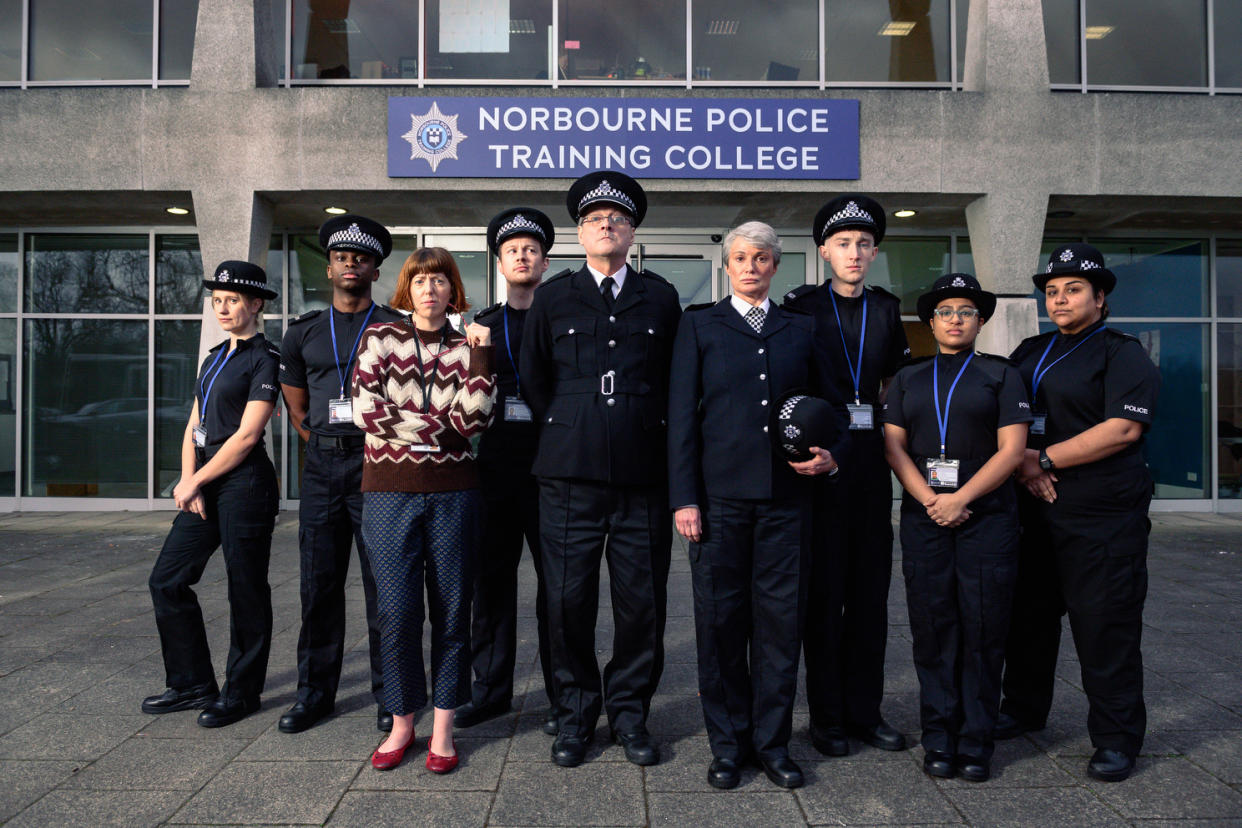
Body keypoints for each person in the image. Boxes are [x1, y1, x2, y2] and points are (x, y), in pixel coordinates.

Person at [668, 222, 848, 790]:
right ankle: (728, 745)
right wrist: (685, 499)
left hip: (787, 501)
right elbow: (681, 419)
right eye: (741, 258)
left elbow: (833, 408)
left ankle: (772, 745)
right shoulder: (700, 325)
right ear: (727, 266)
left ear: (776, 266)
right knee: (720, 625)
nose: (751, 266)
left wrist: (830, 454)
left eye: (762, 258)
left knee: (778, 626)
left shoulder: (802, 326)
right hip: (719, 503)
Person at [520, 170, 682, 768]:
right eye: (593, 219)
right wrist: (576, 423)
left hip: (643, 474)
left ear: (632, 229)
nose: (606, 226)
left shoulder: (659, 297)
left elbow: (671, 381)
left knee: (642, 603)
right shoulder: (554, 296)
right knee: (567, 601)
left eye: (616, 218)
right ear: (579, 232)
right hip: (568, 474)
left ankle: (631, 714)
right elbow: (538, 380)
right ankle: (575, 713)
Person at [998, 243, 1161, 783]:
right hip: (1033, 510)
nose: (1060, 299)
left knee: (1104, 626)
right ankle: (1023, 709)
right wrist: (1025, 466)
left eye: (1072, 290)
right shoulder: (1030, 349)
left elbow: (1123, 428)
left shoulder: (1121, 352)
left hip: (1100, 515)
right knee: (1029, 618)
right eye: (1052, 291)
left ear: (1100, 297)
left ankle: (1116, 741)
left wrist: (1038, 458)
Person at [882, 273, 1032, 782]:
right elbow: (894, 447)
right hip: (926, 520)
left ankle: (977, 741)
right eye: (945, 312)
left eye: (966, 311)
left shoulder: (1003, 375)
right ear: (931, 321)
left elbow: (1012, 451)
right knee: (933, 629)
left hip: (986, 518)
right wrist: (930, 499)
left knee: (984, 629)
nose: (955, 320)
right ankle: (939, 737)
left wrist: (961, 498)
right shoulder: (908, 378)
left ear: (981, 320)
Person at [352, 247, 496, 773]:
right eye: (420, 281)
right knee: (396, 612)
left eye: (439, 281)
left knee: (454, 610)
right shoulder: (378, 338)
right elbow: (368, 411)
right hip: (388, 490)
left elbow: (476, 421)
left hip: (456, 492)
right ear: (406, 290)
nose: (430, 290)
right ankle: (401, 721)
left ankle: (442, 728)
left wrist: (479, 359)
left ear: (452, 289)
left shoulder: (471, 345)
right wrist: (442, 429)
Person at [783, 195, 911, 756]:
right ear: (824, 251)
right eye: (843, 244)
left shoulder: (886, 308)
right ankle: (827, 718)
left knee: (869, 597)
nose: (854, 253)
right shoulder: (800, 307)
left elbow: (894, 386)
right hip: (822, 463)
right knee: (824, 596)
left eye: (863, 244)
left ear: (875, 251)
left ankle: (867, 712)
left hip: (870, 465)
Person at [278, 214, 405, 734]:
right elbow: (297, 408)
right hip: (324, 465)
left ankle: (389, 693)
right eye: (342, 257)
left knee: (386, 585)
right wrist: (327, 444)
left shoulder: (396, 327)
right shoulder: (302, 332)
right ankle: (315, 695)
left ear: (376, 269)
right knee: (319, 584)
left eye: (362, 258)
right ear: (329, 267)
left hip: (380, 464)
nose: (351, 264)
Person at [144, 261, 280, 728]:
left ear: (255, 304)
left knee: (246, 589)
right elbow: (193, 426)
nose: (223, 307)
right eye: (217, 300)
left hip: (246, 484)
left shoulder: (266, 358)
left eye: (233, 300)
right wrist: (189, 480)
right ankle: (191, 683)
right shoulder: (212, 356)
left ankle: (242, 693)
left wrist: (198, 480)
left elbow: (246, 437)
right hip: (204, 481)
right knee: (167, 579)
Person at [456, 208, 558, 733]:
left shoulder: (561, 317)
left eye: (531, 249)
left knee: (557, 588)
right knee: (490, 586)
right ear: (500, 261)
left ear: (545, 259)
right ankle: (490, 691)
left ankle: (563, 695)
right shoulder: (481, 327)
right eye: (512, 250)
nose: (522, 256)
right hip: (493, 471)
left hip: (550, 472)